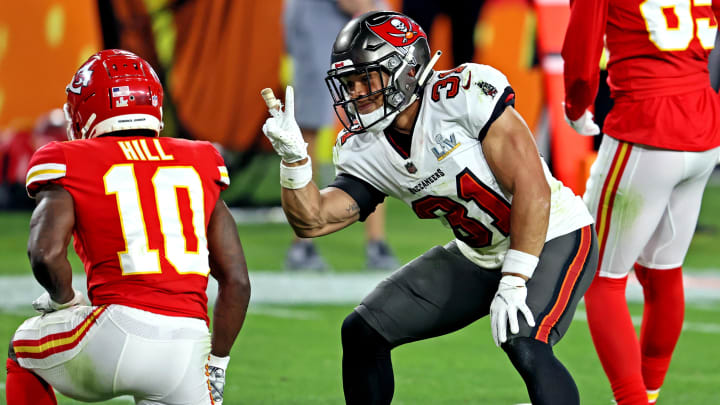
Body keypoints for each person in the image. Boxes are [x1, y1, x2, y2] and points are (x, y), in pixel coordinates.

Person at [262, 11, 598, 404]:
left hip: (552, 234)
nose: (356, 94)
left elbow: (532, 188)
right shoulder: (367, 147)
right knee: (363, 330)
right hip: (480, 253)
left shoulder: (462, 97)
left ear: (406, 71)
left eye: (366, 80)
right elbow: (313, 220)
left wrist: (515, 278)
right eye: (350, 84)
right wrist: (294, 162)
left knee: (523, 340)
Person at [5, 49, 251, 405]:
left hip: (116, 331)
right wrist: (217, 362)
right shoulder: (202, 159)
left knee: (22, 349)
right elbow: (237, 280)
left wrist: (65, 300)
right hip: (188, 345)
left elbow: (44, 253)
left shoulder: (67, 158)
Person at [562, 1, 720, 404]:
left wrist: (577, 105)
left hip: (646, 126)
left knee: (600, 276)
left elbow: (581, 53)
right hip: (703, 123)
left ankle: (634, 400)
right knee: (663, 272)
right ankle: (648, 394)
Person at [282, 0, 399, 271]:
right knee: (309, 131)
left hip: (359, 10)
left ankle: (377, 242)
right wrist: (372, 10)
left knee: (377, 118)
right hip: (318, 13)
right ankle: (302, 243)